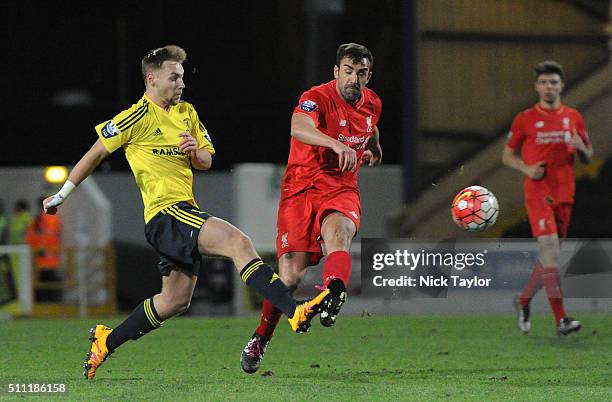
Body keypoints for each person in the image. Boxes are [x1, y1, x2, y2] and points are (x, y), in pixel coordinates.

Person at [42, 45, 330, 380]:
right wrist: (62, 194)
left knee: (175, 301)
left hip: (182, 213)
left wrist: (194, 151)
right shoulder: (135, 117)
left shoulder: (187, 113)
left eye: (182, 77)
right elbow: (94, 155)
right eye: (174, 77)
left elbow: (207, 160)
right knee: (238, 242)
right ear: (152, 78)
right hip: (166, 214)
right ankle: (294, 311)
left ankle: (107, 341)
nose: (181, 83)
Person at [240, 43, 383, 373]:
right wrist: (334, 143)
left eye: (361, 74)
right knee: (290, 277)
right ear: (336, 72)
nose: (354, 80)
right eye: (348, 72)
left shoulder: (373, 102)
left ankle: (333, 292)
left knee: (341, 233)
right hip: (300, 188)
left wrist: (374, 147)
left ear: (368, 76)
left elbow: (370, 126)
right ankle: (261, 338)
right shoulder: (316, 97)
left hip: (340, 186)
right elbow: (298, 127)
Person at [502, 60, 593, 336]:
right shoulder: (525, 118)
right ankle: (561, 319)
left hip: (565, 193)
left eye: (553, 82)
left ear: (561, 85)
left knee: (549, 257)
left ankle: (524, 300)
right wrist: (527, 168)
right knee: (551, 252)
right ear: (537, 87)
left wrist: (581, 148)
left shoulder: (574, 117)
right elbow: (507, 156)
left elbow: (588, 156)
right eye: (543, 82)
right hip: (538, 192)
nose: (548, 87)